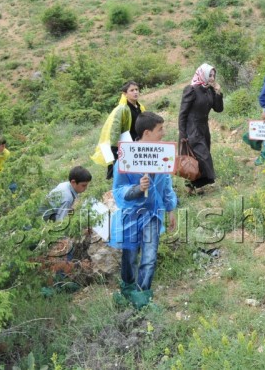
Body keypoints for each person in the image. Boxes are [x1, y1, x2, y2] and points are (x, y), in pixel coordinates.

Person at [109, 112, 177, 309]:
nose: (163, 133)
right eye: (160, 130)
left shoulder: (162, 155)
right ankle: (127, 290)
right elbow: (118, 190)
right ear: (147, 132)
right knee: (129, 256)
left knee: (149, 255)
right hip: (131, 215)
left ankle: (143, 295)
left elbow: (166, 184)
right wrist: (138, 188)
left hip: (153, 215)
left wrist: (170, 208)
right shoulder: (126, 157)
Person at [178, 63, 224, 192]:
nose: (212, 78)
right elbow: (183, 113)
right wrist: (182, 133)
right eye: (210, 75)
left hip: (204, 128)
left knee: (197, 158)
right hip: (191, 128)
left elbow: (218, 109)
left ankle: (192, 187)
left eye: (214, 75)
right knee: (201, 156)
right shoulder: (191, 90)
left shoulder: (209, 90)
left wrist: (218, 92)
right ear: (202, 74)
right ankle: (195, 185)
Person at [91, 81, 145, 180]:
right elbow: (115, 130)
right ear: (125, 94)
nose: (135, 92)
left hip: (137, 142)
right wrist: (115, 148)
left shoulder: (140, 107)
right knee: (123, 171)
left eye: (136, 89)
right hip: (126, 143)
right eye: (132, 90)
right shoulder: (122, 109)